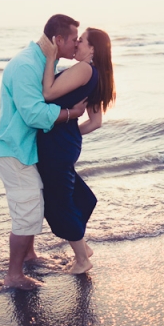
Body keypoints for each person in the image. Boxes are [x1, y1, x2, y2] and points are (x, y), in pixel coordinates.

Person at [0, 14, 88, 290]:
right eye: (73, 39)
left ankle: (30, 256)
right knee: (27, 210)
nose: (76, 43)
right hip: (12, 149)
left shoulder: (43, 62)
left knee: (35, 203)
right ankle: (14, 275)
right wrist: (72, 114)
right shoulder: (25, 66)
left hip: (26, 149)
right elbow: (33, 114)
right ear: (58, 40)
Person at [36, 27, 116, 274]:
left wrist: (50, 58)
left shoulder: (83, 68)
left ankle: (82, 259)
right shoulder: (96, 74)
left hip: (57, 144)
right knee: (71, 194)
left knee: (59, 202)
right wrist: (70, 133)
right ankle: (83, 247)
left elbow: (48, 93)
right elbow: (95, 122)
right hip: (64, 142)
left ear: (92, 49)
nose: (77, 43)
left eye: (82, 41)